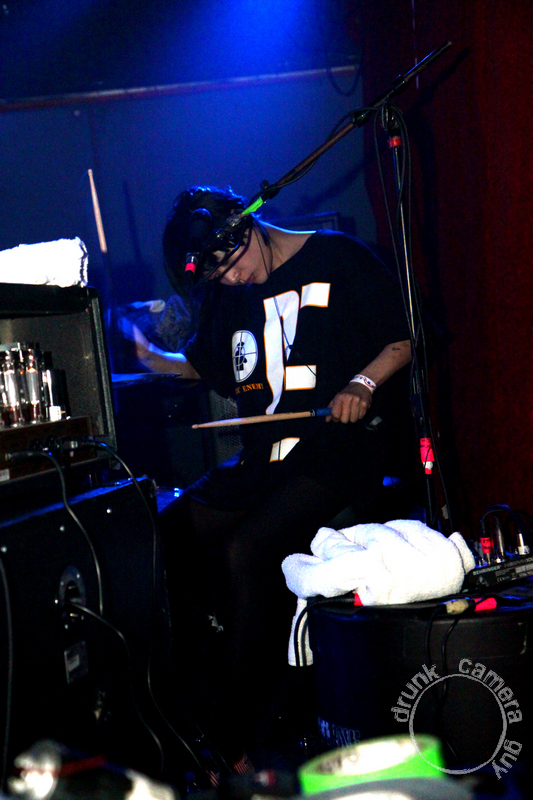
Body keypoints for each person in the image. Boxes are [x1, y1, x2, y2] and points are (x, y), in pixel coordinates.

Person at [134, 185, 412, 753]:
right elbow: (205, 365)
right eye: (218, 276)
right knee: (162, 537)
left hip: (335, 453)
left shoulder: (336, 255)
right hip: (262, 462)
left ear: (245, 226)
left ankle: (236, 735)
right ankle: (189, 695)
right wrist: (145, 354)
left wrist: (362, 383)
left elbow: (404, 336)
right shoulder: (229, 292)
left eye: (230, 264)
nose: (231, 279)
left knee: (246, 550)